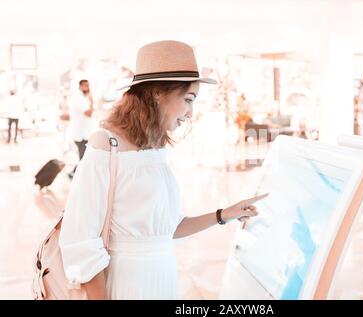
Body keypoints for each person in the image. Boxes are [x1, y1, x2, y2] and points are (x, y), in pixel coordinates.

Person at [59, 41, 268, 300]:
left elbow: (167, 230)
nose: (191, 112)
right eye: (188, 99)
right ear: (158, 93)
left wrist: (224, 214)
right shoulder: (105, 144)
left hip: (163, 280)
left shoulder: (155, 150)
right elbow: (80, 240)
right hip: (126, 284)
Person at [67, 79, 95, 177]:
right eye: (85, 86)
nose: (88, 88)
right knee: (84, 158)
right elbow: (89, 113)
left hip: (83, 133)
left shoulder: (82, 97)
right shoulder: (78, 98)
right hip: (81, 134)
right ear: (80, 86)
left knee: (84, 157)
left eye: (88, 85)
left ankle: (74, 173)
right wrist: (92, 101)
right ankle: (74, 174)